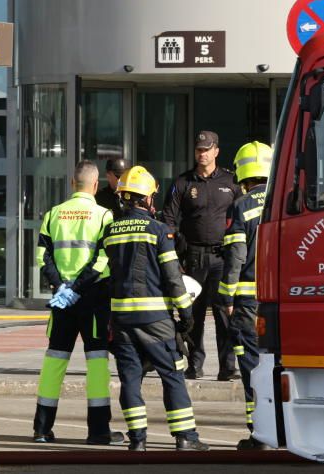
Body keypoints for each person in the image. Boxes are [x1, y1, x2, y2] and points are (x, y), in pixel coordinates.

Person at [97, 165, 210, 452]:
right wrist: (185, 317)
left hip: (121, 320)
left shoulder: (110, 232)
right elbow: (173, 278)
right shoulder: (158, 230)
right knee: (172, 373)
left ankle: (137, 441)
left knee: (130, 378)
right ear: (148, 198)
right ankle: (186, 438)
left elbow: (105, 275)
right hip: (155, 320)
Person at [32, 160, 125, 446]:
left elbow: (41, 257)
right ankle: (98, 432)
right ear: (95, 186)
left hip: (62, 300)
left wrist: (62, 286)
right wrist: (79, 286)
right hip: (93, 299)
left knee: (54, 362)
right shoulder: (104, 215)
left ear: (73, 184)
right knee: (97, 364)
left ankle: (41, 429)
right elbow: (104, 260)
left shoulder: (53, 214)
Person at [163, 130, 239, 380]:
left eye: (206, 149)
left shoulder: (231, 181)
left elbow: (242, 216)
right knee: (193, 314)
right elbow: (169, 220)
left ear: (216, 151)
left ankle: (227, 368)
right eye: (198, 150)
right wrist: (174, 256)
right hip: (193, 257)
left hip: (222, 257)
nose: (202, 154)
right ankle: (194, 365)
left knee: (223, 313)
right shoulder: (184, 182)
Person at [219, 141, 272, 450]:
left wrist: (226, 297)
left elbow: (236, 256)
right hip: (281, 298)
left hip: (249, 301)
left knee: (251, 366)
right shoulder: (286, 200)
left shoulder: (241, 206)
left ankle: (260, 433)